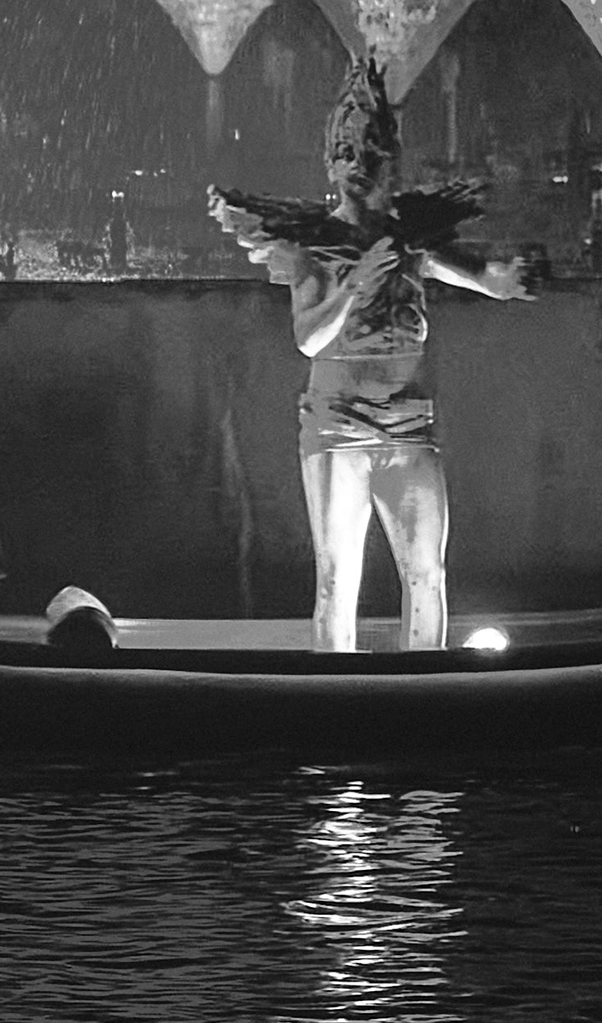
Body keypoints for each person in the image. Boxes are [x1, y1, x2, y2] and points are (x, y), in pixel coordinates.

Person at [209, 54, 547, 653]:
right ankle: (338, 687)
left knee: (427, 572)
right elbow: (309, 338)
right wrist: (353, 285)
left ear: (389, 160)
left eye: (368, 153)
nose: (356, 165)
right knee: (338, 578)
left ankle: (424, 682)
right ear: (329, 162)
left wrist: (511, 277)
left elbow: (483, 279)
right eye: (345, 153)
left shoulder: (411, 240)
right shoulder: (314, 244)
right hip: (337, 426)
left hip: (410, 422)